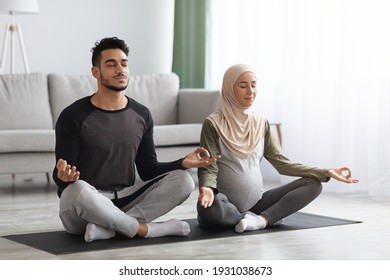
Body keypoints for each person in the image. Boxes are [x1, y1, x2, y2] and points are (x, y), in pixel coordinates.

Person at [53, 37, 219, 242]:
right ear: (96, 72)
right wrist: (64, 177)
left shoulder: (141, 115)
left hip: (126, 199)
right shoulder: (73, 115)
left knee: (184, 180)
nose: (120, 69)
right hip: (86, 207)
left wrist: (182, 163)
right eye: (111, 64)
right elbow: (61, 177)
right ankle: (146, 230)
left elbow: (147, 169)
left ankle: (113, 227)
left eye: (124, 63)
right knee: (75, 190)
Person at [197, 63, 359, 233]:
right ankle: (255, 218)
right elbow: (208, 165)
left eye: (253, 85)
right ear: (229, 89)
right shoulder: (213, 124)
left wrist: (325, 172)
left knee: (313, 184)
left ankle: (262, 220)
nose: (250, 91)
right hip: (224, 205)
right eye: (243, 86)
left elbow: (282, 164)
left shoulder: (261, 123)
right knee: (211, 207)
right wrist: (207, 188)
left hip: (257, 204)